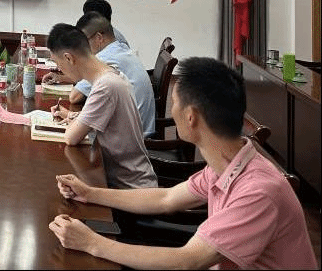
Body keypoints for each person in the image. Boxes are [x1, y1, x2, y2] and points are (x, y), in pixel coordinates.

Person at [49, 57, 318, 270]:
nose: (172, 109)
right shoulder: (228, 163)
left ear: (191, 117)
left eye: (175, 102)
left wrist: (92, 243)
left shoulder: (258, 191)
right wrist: (90, 193)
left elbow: (187, 261)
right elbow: (166, 198)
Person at [47, 23, 156, 189]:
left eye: (58, 63)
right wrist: (71, 115)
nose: (59, 69)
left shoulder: (105, 86)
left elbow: (71, 137)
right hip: (125, 179)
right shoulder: (112, 73)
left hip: (130, 188)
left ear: (69, 58)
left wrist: (74, 121)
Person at [65, 12, 155, 137]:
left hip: (132, 138)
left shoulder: (105, 58)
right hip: (140, 130)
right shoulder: (120, 48)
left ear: (99, 38)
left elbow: (74, 97)